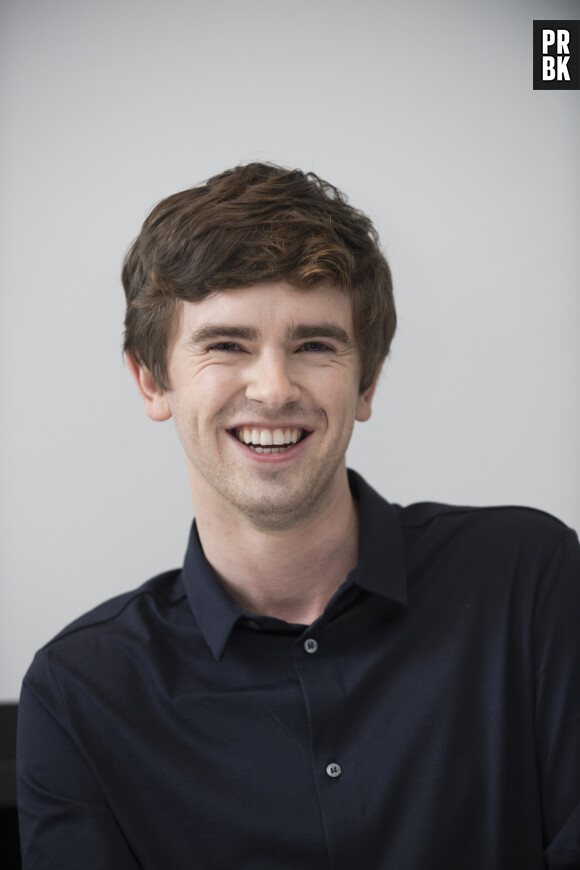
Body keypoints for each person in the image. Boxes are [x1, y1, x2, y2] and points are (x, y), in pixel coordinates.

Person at [17, 163, 580, 869]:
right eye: (227, 345)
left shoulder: (528, 578)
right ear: (151, 380)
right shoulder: (80, 695)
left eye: (314, 345)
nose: (274, 388)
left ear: (367, 381)